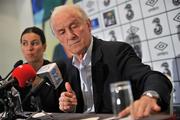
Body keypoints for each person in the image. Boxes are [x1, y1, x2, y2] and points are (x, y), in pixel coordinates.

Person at [50, 4, 172, 119]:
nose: (70, 35)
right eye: (62, 32)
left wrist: (149, 96)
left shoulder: (117, 52)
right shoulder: (66, 66)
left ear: (88, 25)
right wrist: (71, 107)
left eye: (74, 26)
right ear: (58, 38)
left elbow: (152, 77)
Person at [19, 26, 65, 112]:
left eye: (34, 43)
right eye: (25, 43)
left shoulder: (55, 70)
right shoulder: (19, 73)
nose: (29, 48)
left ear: (44, 47)